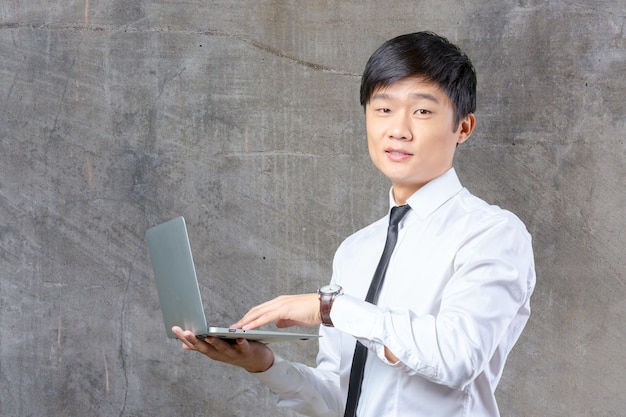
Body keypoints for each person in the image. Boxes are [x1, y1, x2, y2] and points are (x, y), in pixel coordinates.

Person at [173, 31, 536, 417]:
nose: (398, 129)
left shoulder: (492, 233)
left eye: (422, 111)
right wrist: (263, 364)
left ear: (463, 127)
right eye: (383, 109)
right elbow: (339, 398)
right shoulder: (356, 250)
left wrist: (331, 308)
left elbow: (457, 356)